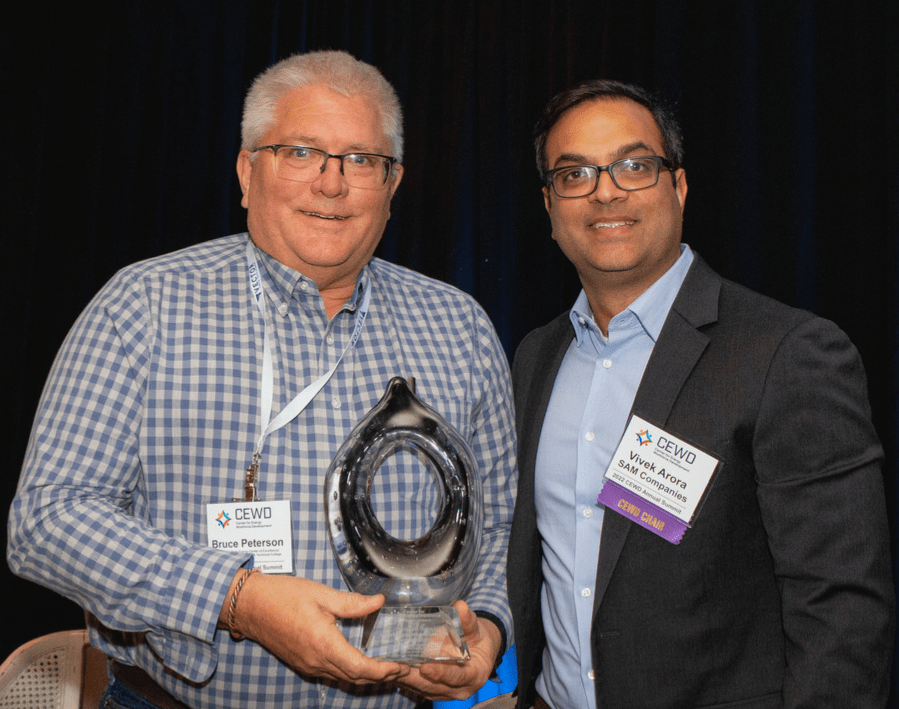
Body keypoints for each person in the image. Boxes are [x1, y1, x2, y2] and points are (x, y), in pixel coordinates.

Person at [8, 50, 516, 709]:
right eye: (301, 151)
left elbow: (500, 519)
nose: (332, 183)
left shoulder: (460, 326)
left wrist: (493, 630)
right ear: (248, 171)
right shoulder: (144, 305)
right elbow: (47, 520)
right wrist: (237, 598)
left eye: (361, 160)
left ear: (392, 184)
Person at [507, 79, 894, 709]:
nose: (605, 190)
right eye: (574, 174)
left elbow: (843, 612)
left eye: (634, 166)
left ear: (678, 187)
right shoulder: (535, 357)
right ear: (550, 207)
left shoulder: (786, 352)